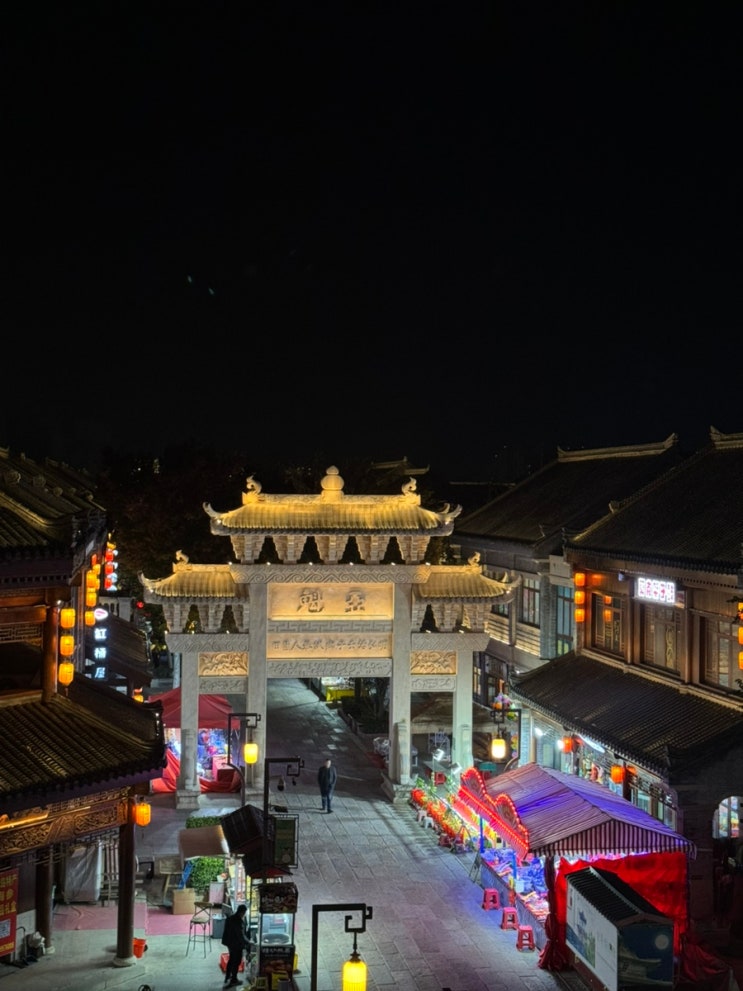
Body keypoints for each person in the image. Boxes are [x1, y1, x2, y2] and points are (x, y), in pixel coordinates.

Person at [221, 903, 250, 987]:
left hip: (229, 942)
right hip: (236, 944)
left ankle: (227, 976)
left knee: (231, 959)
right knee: (236, 961)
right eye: (244, 913)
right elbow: (240, 935)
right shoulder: (238, 921)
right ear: (242, 912)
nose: (244, 915)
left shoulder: (231, 918)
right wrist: (248, 942)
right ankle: (234, 979)